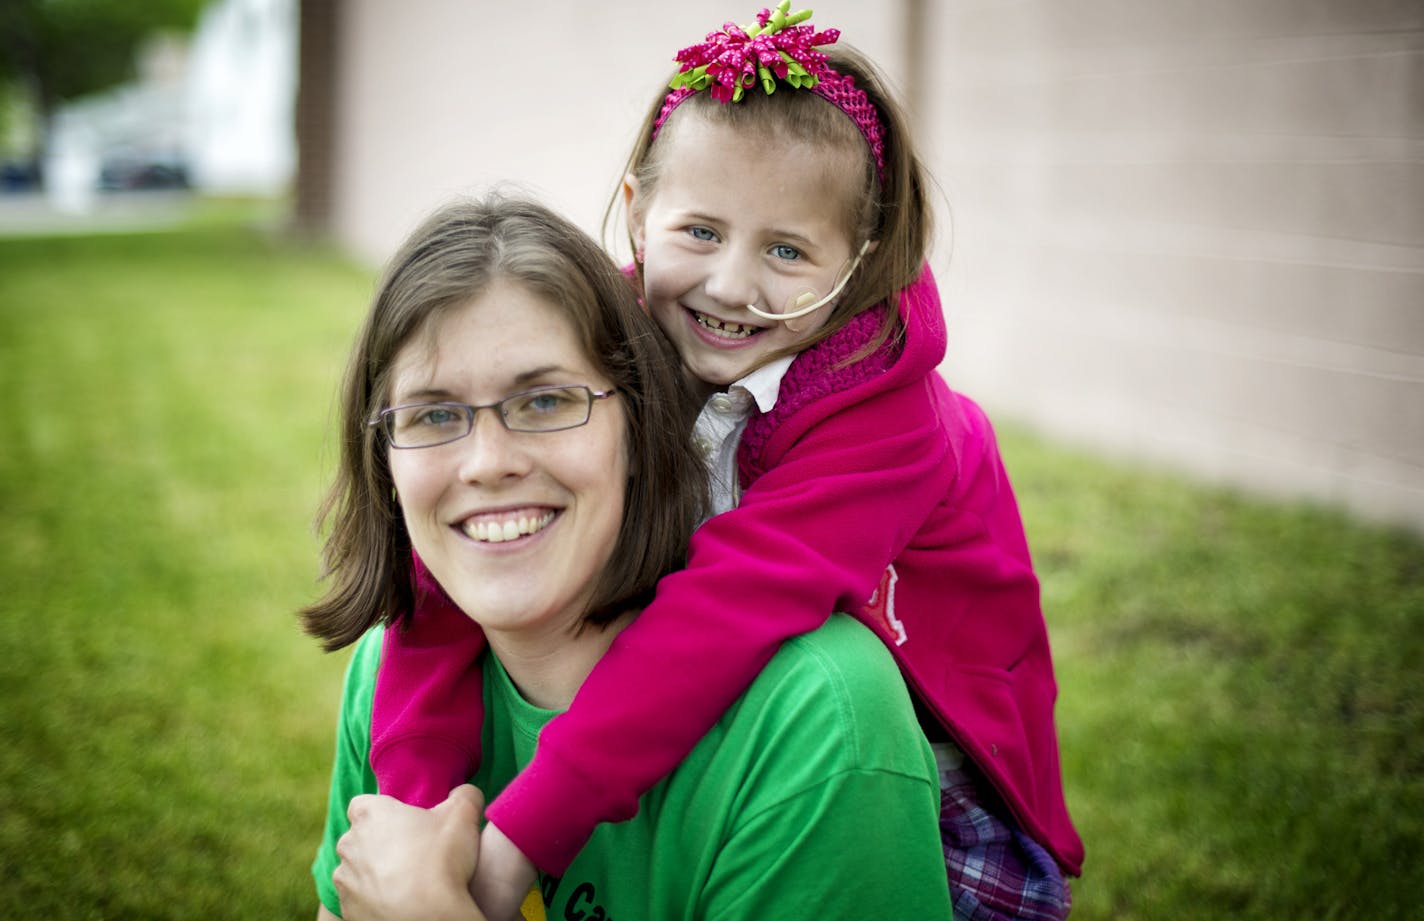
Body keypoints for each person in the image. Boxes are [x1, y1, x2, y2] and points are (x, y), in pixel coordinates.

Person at [373, 6, 1084, 919]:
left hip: (925, 781)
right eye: (699, 232)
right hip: (724, 721)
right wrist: (416, 815)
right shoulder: (622, 340)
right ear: (637, 211)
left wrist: (514, 844)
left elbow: (725, 608)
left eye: (786, 250)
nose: (730, 286)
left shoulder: (890, 417)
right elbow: (442, 574)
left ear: (861, 260)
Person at [304, 193, 953, 920]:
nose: (487, 463)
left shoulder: (818, 717)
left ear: (640, 426)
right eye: (432, 414)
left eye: (547, 400)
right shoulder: (387, 673)